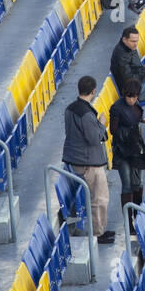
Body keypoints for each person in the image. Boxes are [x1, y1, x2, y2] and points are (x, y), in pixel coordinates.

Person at [62, 76, 115, 244]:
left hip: (75, 159)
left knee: (96, 198)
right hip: (88, 163)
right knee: (99, 198)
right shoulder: (86, 114)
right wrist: (101, 124)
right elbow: (94, 138)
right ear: (93, 91)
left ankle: (99, 230)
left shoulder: (70, 109)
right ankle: (98, 233)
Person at [109, 79, 145, 234]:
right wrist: (130, 132)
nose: (132, 100)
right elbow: (114, 131)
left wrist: (144, 121)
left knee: (138, 183)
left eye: (134, 97)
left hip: (135, 149)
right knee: (127, 185)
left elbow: (136, 119)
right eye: (129, 97)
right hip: (122, 150)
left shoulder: (136, 106)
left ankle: (138, 216)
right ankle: (129, 222)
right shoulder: (116, 108)